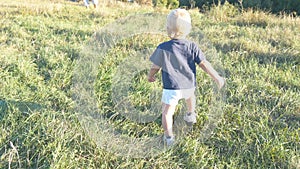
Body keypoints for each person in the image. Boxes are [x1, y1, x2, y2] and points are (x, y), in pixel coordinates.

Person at [147, 8, 225, 146]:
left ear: (167, 28)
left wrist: (150, 76)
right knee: (190, 97)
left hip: (171, 88)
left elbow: (155, 67)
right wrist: (217, 77)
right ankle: (190, 114)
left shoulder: (163, 47)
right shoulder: (192, 46)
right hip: (189, 85)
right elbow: (204, 64)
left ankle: (169, 137)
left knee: (167, 113)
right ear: (188, 29)